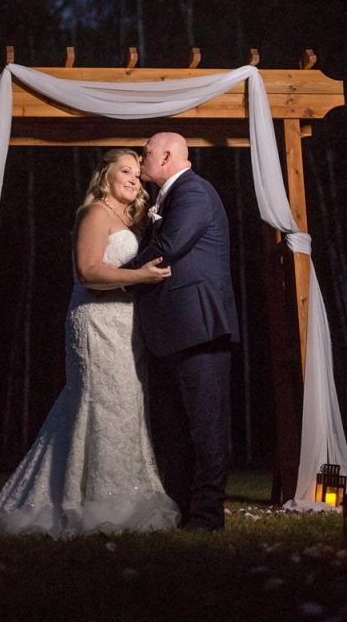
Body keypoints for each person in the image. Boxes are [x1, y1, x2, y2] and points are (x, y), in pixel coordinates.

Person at [0, 148, 180, 539]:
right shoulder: (93, 214)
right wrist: (141, 277)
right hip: (95, 322)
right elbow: (88, 272)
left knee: (125, 405)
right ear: (105, 175)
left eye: (135, 172)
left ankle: (126, 491)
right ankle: (91, 500)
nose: (132, 177)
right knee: (99, 402)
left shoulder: (132, 218)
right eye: (123, 170)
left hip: (126, 325)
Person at [125, 131, 239, 531]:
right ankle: (182, 513)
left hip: (198, 328)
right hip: (169, 331)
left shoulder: (193, 192)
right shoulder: (167, 197)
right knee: (172, 432)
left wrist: (117, 274)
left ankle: (208, 517)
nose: (141, 159)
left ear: (168, 155)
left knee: (206, 428)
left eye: (146, 152)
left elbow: (170, 245)